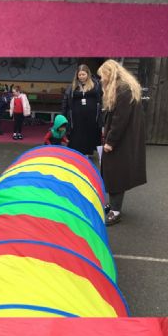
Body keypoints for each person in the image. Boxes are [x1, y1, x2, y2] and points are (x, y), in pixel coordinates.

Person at [96, 60, 147, 226]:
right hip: (123, 139)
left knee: (115, 175)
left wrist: (110, 141)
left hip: (121, 141)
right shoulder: (123, 87)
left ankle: (116, 212)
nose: (101, 79)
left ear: (110, 73)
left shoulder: (123, 90)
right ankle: (114, 205)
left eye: (102, 75)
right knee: (114, 174)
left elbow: (120, 120)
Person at [60, 64, 102, 157]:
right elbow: (65, 100)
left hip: (92, 116)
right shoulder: (72, 86)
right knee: (77, 134)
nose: (82, 77)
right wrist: (63, 115)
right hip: (76, 117)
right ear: (77, 75)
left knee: (90, 133)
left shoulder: (96, 84)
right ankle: (77, 153)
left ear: (88, 74)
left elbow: (101, 98)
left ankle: (89, 152)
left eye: (83, 74)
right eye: (80, 75)